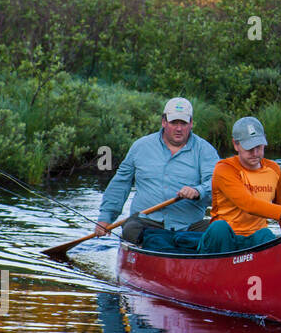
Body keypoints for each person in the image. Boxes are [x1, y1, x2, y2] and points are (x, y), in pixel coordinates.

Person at [146, 116, 281, 255]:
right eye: (249, 148)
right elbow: (248, 204)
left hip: (253, 240)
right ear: (235, 144)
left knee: (266, 235)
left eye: (259, 147)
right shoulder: (224, 169)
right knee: (219, 228)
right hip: (223, 239)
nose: (255, 153)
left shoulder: (274, 169)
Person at [94, 97, 219, 245]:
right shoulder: (140, 147)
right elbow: (121, 184)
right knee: (130, 229)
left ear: (191, 124)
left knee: (218, 230)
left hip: (190, 226)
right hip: (147, 222)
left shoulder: (205, 150)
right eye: (174, 122)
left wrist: (198, 191)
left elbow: (217, 185)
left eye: (183, 123)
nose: (179, 128)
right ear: (164, 122)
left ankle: (181, 250)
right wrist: (105, 217)